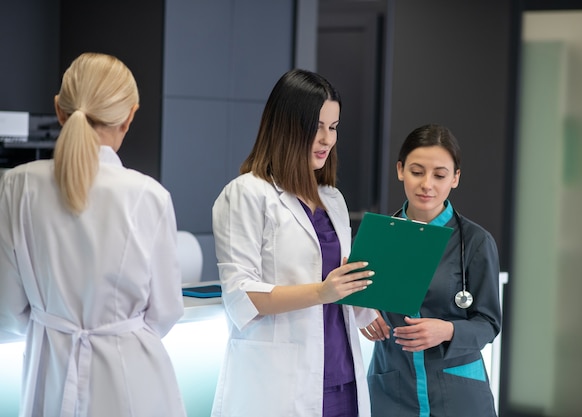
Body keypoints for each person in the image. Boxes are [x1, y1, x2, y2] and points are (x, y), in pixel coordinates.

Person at [0, 52, 187, 417]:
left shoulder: (17, 185)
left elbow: (9, 309)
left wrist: (56, 327)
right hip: (131, 382)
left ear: (59, 109)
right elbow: (165, 312)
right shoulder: (148, 195)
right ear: (129, 116)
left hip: (47, 377)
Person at [211, 68, 378, 417]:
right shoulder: (246, 194)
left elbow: (337, 277)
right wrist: (321, 292)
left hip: (342, 378)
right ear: (286, 125)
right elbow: (240, 296)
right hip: (279, 385)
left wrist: (364, 305)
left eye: (333, 128)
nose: (326, 139)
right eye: (316, 126)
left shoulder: (332, 199)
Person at [361, 124, 501, 416]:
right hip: (393, 391)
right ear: (400, 170)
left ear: (455, 178)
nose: (427, 184)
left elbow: (488, 324)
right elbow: (353, 301)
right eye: (416, 171)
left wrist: (447, 330)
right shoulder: (379, 237)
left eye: (439, 175)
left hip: (458, 392)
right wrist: (361, 314)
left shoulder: (475, 242)